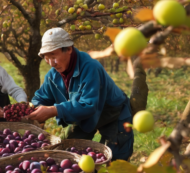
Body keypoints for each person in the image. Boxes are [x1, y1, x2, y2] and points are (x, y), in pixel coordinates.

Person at [28, 28, 134, 161]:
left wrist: (55, 110)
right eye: (46, 57)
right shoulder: (53, 74)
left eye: (54, 56)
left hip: (112, 111)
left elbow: (89, 105)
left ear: (69, 49)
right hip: (83, 113)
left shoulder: (90, 67)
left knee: (116, 158)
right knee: (67, 150)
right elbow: (42, 97)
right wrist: (33, 108)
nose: (51, 62)